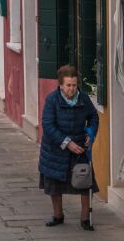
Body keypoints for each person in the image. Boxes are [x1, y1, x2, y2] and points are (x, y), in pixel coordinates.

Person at [39, 64, 99, 230]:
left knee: (85, 182)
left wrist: (91, 133)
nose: (72, 89)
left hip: (79, 147)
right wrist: (67, 143)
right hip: (55, 149)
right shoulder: (52, 100)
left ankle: (85, 218)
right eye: (68, 85)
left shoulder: (84, 99)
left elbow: (93, 117)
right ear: (61, 85)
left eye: (74, 85)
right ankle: (58, 215)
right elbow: (48, 125)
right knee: (54, 184)